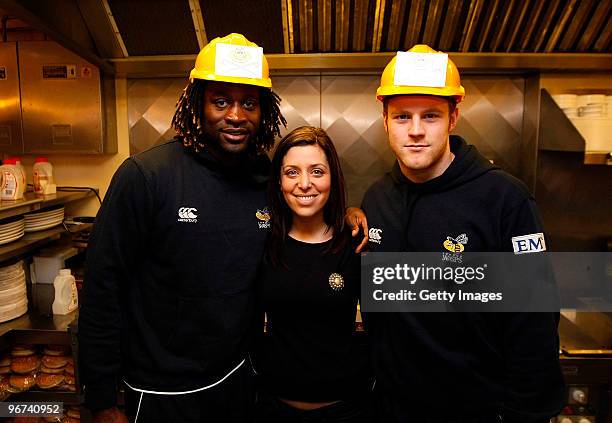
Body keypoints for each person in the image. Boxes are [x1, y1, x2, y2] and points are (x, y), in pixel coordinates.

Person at [78, 33, 287, 423]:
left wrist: (349, 214)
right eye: (220, 101)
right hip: (160, 393)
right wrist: (102, 399)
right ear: (196, 104)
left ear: (264, 112)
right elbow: (103, 288)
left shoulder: (265, 179)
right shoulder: (146, 176)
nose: (237, 116)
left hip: (237, 381)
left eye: (249, 103)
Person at [360, 45, 565, 422]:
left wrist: (524, 413)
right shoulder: (377, 200)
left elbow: (533, 322)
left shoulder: (504, 200)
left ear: (454, 117)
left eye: (431, 116)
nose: (416, 130)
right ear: (385, 120)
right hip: (393, 409)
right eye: (402, 116)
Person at [253, 126, 372, 423]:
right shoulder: (263, 241)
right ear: (279, 181)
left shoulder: (356, 241)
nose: (304, 184)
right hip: (272, 409)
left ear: (333, 178)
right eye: (292, 172)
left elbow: (387, 327)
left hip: (346, 410)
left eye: (317, 172)